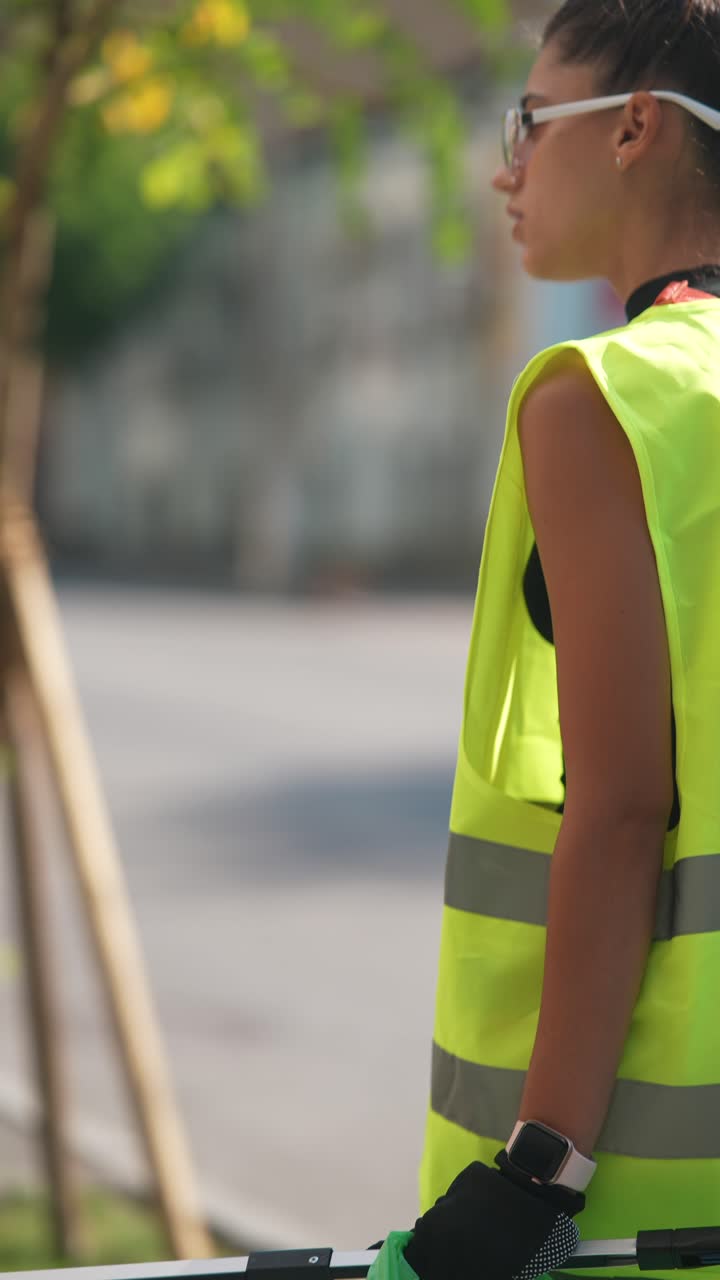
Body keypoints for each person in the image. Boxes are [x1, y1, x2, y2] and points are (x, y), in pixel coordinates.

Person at [369, 3, 720, 1278]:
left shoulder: (606, 399)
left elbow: (622, 807)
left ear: (633, 129)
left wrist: (537, 1176)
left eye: (528, 122)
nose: (505, 168)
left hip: (643, 1186)